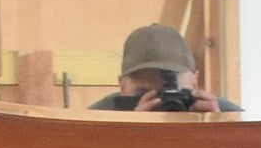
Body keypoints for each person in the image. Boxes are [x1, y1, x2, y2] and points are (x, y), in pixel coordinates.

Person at [89, 24, 242, 112]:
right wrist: (131, 135)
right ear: (122, 86)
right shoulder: (99, 120)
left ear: (195, 82)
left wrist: (219, 133)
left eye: (174, 93)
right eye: (142, 93)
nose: (161, 103)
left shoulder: (225, 115)